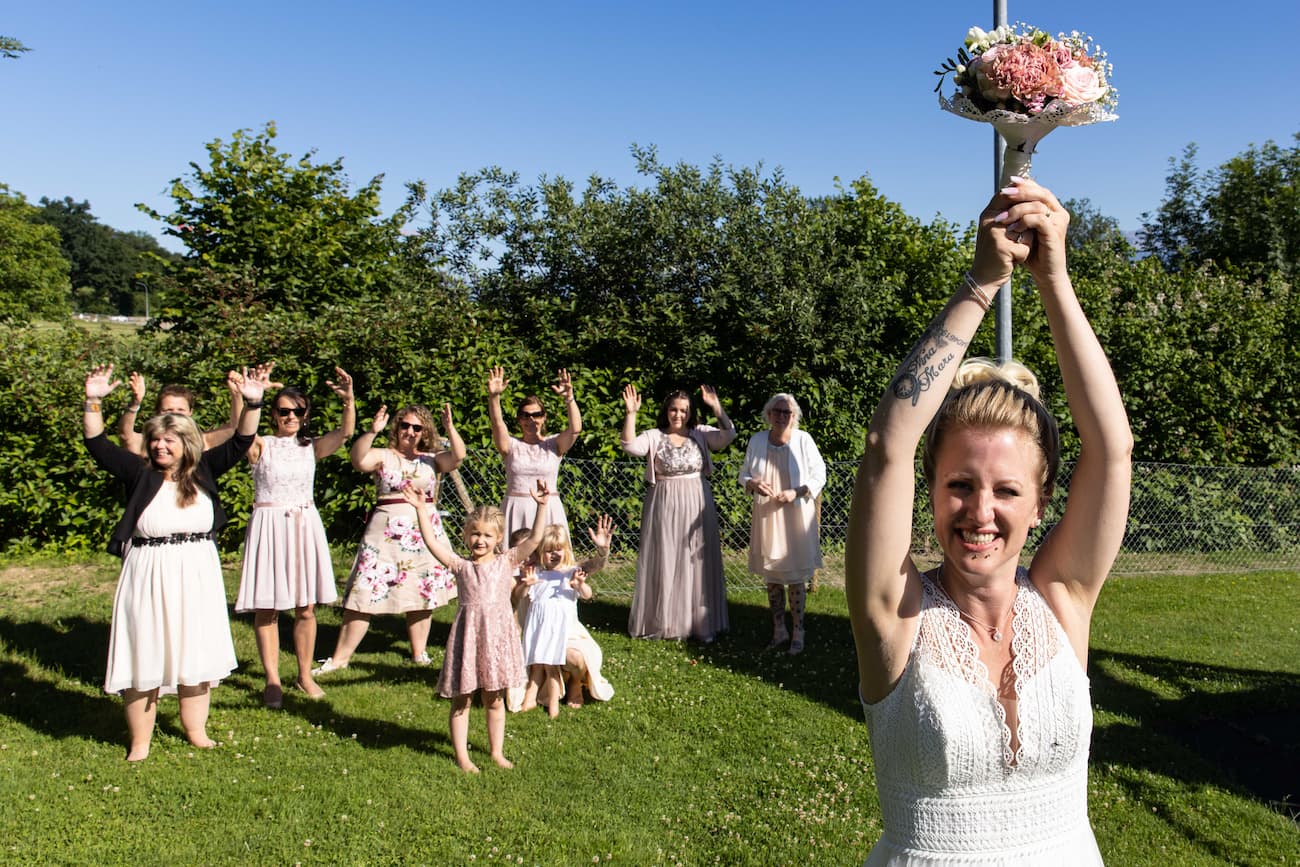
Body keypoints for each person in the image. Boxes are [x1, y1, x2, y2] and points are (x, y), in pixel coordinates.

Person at [845, 177, 1132, 865]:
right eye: (959, 485)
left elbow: (1113, 447)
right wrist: (982, 283)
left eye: (1006, 490)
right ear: (931, 489)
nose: (980, 512)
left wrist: (1054, 280)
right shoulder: (895, 615)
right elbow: (887, 445)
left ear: (1041, 502)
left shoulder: (1063, 599)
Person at [82, 362, 272, 761]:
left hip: (197, 569)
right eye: (155, 440)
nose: (160, 446)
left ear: (187, 443)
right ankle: (140, 742)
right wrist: (93, 401)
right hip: (149, 570)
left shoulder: (204, 469)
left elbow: (242, 440)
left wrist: (253, 402)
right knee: (144, 651)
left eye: (169, 440)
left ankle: (196, 730)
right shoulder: (138, 472)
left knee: (196, 649)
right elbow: (97, 444)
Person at [402, 482, 551, 773]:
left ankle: (496, 752)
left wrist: (542, 506)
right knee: (462, 699)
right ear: (466, 535)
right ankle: (462, 757)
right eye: (475, 534)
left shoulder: (507, 561)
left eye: (487, 535)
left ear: (498, 538)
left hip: (497, 638)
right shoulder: (461, 566)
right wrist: (421, 509)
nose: (480, 540)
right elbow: (432, 542)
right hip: (468, 638)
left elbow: (534, 539)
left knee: (495, 698)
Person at [314, 402, 466, 673]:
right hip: (385, 533)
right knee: (364, 593)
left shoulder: (431, 459)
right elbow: (358, 459)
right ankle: (340, 658)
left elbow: (458, 456)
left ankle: (419, 653)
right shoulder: (382, 456)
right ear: (397, 427)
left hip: (424, 532)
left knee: (423, 592)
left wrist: (450, 428)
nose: (410, 432)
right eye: (405, 425)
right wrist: (372, 431)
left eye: (417, 428)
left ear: (424, 432)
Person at [235, 369, 356, 706]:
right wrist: (246, 399)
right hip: (270, 525)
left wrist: (348, 401)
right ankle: (272, 680)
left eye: (298, 411)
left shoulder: (310, 447)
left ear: (306, 415)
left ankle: (304, 674)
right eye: (284, 410)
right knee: (267, 607)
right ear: (274, 414)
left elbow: (345, 433)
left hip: (304, 525)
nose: (291, 416)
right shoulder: (261, 444)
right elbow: (241, 433)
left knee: (306, 607)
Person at [621, 384, 736, 642]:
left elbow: (729, 434)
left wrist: (717, 407)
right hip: (664, 505)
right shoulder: (654, 436)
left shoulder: (701, 434)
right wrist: (631, 414)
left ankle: (700, 623)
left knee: (697, 561)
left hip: (697, 504)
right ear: (666, 411)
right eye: (674, 409)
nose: (678, 415)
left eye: (684, 410)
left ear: (691, 412)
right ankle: (668, 623)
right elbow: (630, 446)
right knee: (668, 557)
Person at [739, 393, 826, 655]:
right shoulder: (757, 440)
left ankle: (798, 631)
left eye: (787, 412)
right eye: (777, 411)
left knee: (796, 576)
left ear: (794, 416)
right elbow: (744, 474)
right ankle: (779, 630)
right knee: (773, 577)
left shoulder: (803, 440)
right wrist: (753, 483)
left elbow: (819, 474)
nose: (781, 416)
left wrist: (796, 492)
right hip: (768, 515)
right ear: (768, 414)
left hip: (796, 517)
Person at [486, 366, 581, 539]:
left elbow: (575, 430)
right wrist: (494, 397)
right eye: (525, 415)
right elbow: (497, 423)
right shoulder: (510, 445)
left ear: (544, 417)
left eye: (536, 414)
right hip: (516, 510)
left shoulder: (554, 444)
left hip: (549, 509)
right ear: (519, 419)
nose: (531, 419)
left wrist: (569, 399)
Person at [516, 524, 596, 717]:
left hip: (562, 632)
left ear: (566, 550)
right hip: (539, 630)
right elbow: (519, 594)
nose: (554, 554)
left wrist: (580, 585)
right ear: (540, 552)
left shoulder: (570, 573)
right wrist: (526, 585)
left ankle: (555, 702)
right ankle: (531, 696)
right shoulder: (537, 573)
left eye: (558, 549)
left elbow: (587, 595)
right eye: (548, 550)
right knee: (537, 665)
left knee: (551, 667)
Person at [118, 371, 244, 455]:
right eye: (168, 410)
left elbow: (237, 428)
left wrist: (236, 395)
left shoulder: (202, 442)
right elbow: (126, 437)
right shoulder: (152, 445)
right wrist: (135, 403)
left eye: (180, 410)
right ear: (157, 413)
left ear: (190, 412)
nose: (175, 415)